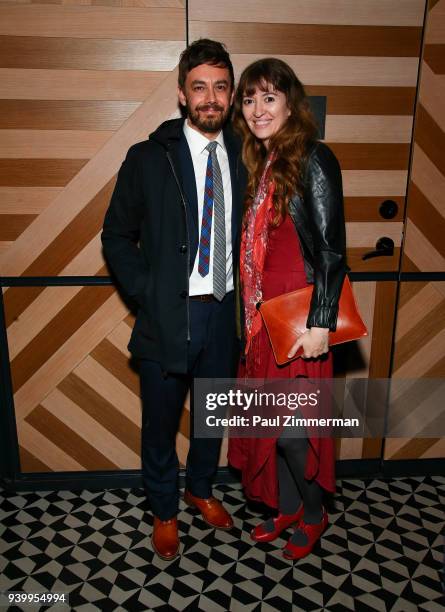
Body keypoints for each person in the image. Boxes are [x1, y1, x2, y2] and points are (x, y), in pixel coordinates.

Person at [101, 39, 246, 561]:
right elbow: (116, 235)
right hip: (170, 316)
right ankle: (164, 509)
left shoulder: (246, 154)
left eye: (221, 87)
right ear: (183, 94)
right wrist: (148, 293)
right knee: (160, 423)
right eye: (200, 87)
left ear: (231, 95)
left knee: (212, 416)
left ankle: (200, 490)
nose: (211, 98)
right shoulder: (147, 158)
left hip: (225, 315)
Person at [228, 58, 347, 560]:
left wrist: (322, 322)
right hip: (264, 324)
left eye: (269, 97)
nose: (258, 109)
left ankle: (314, 515)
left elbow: (330, 249)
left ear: (290, 104)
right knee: (269, 432)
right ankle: (289, 507)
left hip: (299, 322)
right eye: (250, 99)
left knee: (293, 435)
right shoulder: (265, 162)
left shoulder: (314, 158)